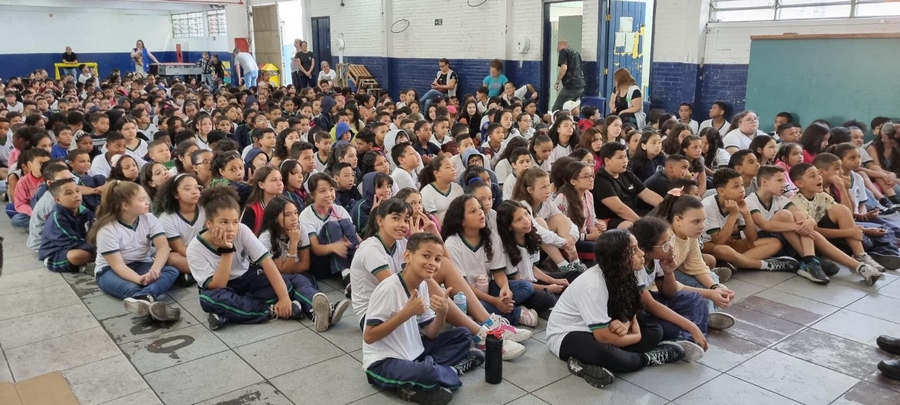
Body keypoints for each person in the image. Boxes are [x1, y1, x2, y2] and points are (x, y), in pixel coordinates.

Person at [545, 230, 686, 389]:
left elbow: (632, 306)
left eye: (638, 248)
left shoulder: (629, 271)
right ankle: (647, 358)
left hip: (603, 326)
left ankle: (588, 362)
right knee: (609, 354)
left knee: (655, 331)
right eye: (633, 250)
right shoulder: (593, 285)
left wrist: (626, 323)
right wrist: (636, 335)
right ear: (618, 258)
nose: (641, 254)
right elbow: (604, 337)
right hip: (568, 334)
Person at [362, 232, 484, 405]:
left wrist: (442, 312)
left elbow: (431, 333)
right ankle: (448, 371)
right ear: (407, 256)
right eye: (426, 256)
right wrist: (406, 313)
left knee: (463, 334)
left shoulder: (423, 285)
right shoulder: (388, 289)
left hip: (415, 352)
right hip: (384, 362)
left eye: (437, 259)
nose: (432, 263)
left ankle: (425, 374)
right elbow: (369, 336)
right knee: (428, 373)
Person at [87, 180, 181, 322]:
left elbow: (163, 247)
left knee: (171, 271)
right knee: (132, 286)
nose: (147, 203)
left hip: (141, 264)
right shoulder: (107, 230)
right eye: (142, 200)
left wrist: (155, 270)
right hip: (109, 271)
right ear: (125, 205)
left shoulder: (149, 219)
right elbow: (117, 265)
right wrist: (138, 279)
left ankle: (144, 300)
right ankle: (150, 301)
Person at [39, 177, 96, 273]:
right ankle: (104, 258)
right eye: (69, 193)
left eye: (77, 191)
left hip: (81, 245)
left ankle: (103, 257)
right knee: (76, 256)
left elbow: (95, 229)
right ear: (58, 200)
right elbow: (71, 242)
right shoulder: (57, 217)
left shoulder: (85, 211)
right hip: (57, 252)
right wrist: (98, 249)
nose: (76, 195)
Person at [552, 40, 585, 112]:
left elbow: (564, 68)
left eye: (558, 47)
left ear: (560, 46)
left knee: (557, 108)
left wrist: (557, 82)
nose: (557, 50)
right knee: (570, 108)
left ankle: (557, 118)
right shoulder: (576, 53)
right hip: (580, 86)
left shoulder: (563, 51)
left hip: (570, 86)